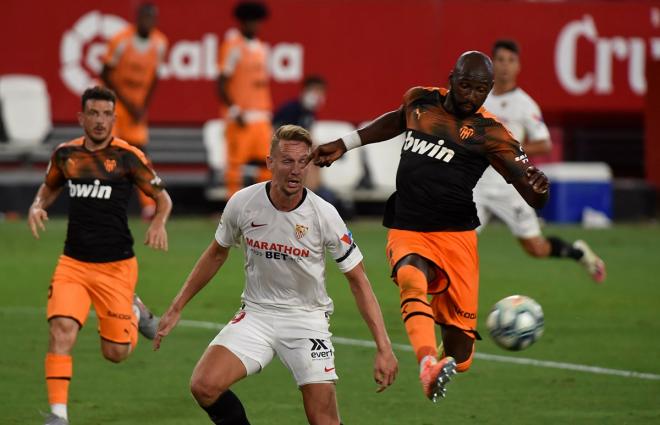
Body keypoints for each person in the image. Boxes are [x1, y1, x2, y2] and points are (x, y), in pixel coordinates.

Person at [309, 51, 550, 402]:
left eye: (480, 89)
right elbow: (395, 121)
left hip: (456, 237)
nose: (471, 95)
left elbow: (532, 194)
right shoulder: (420, 99)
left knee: (460, 350)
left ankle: (445, 357)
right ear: (451, 78)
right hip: (409, 224)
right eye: (465, 85)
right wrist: (345, 145)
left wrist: (540, 189)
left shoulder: (492, 133)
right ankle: (426, 365)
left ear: (489, 90)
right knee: (410, 278)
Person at [154, 125, 398, 424]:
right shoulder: (243, 203)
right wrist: (177, 306)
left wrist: (384, 348)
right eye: (287, 161)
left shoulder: (324, 215)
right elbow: (216, 253)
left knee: (323, 419)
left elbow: (358, 281)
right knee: (204, 386)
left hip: (307, 320)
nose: (295, 170)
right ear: (270, 162)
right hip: (257, 315)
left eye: (302, 162)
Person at [28, 86, 172, 425]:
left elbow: (163, 198)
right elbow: (50, 186)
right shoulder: (65, 155)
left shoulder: (127, 157)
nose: (100, 121)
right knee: (61, 329)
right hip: (73, 264)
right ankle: (58, 415)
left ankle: (134, 310)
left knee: (116, 353)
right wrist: (37, 205)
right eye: (93, 113)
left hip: (116, 268)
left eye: (107, 114)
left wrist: (159, 224)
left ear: (114, 119)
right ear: (81, 117)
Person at [474, 39, 606, 282]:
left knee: (536, 248)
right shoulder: (479, 97)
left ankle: (579, 253)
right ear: (492, 64)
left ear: (518, 67)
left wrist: (509, 150)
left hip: (511, 186)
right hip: (477, 185)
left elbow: (544, 143)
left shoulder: (525, 105)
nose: (505, 66)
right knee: (458, 239)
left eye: (510, 61)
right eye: (500, 60)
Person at [101, 2, 168, 220]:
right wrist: (128, 103)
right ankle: (105, 201)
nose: (148, 23)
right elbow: (106, 73)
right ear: (137, 18)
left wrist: (142, 106)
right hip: (116, 104)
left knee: (140, 153)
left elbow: (154, 77)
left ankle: (148, 204)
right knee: (112, 152)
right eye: (145, 18)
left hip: (137, 108)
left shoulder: (160, 43)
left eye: (152, 19)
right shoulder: (120, 39)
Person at [217, 1, 273, 197]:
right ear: (242, 22)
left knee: (266, 164)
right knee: (235, 166)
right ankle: (231, 208)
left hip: (260, 116)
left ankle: (265, 206)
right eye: (250, 21)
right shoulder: (233, 46)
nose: (254, 25)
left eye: (257, 21)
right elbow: (221, 83)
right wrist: (234, 110)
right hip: (240, 117)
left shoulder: (260, 48)